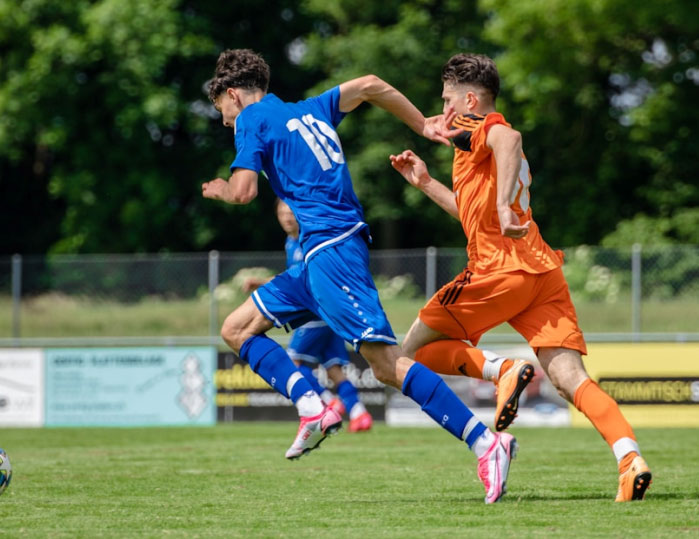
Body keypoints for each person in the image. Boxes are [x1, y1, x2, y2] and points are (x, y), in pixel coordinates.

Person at [202, 48, 516, 503]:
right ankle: (313, 407)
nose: (229, 125)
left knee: (386, 366)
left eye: (224, 115)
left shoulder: (253, 120)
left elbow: (245, 191)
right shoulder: (310, 109)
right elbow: (370, 82)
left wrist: (221, 191)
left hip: (332, 251)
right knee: (236, 329)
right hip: (314, 258)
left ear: (234, 95)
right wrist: (422, 125)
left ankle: (487, 442)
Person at [390, 53, 652, 502]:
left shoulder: (483, 126)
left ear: (470, 99)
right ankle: (630, 458)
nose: (443, 110)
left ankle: (502, 369)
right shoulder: (469, 146)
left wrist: (502, 205)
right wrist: (427, 184)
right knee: (571, 379)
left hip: (499, 269)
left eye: (448, 100)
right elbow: (472, 215)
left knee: (405, 353)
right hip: (541, 271)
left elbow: (510, 139)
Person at [243, 199, 374, 432]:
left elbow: (306, 279)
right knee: (334, 368)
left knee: (293, 362)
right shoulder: (290, 242)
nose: (287, 217)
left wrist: (262, 284)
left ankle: (326, 402)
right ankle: (359, 413)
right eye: (282, 213)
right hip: (329, 314)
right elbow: (293, 278)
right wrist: (262, 282)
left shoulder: (308, 239)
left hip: (314, 312)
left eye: (290, 212)